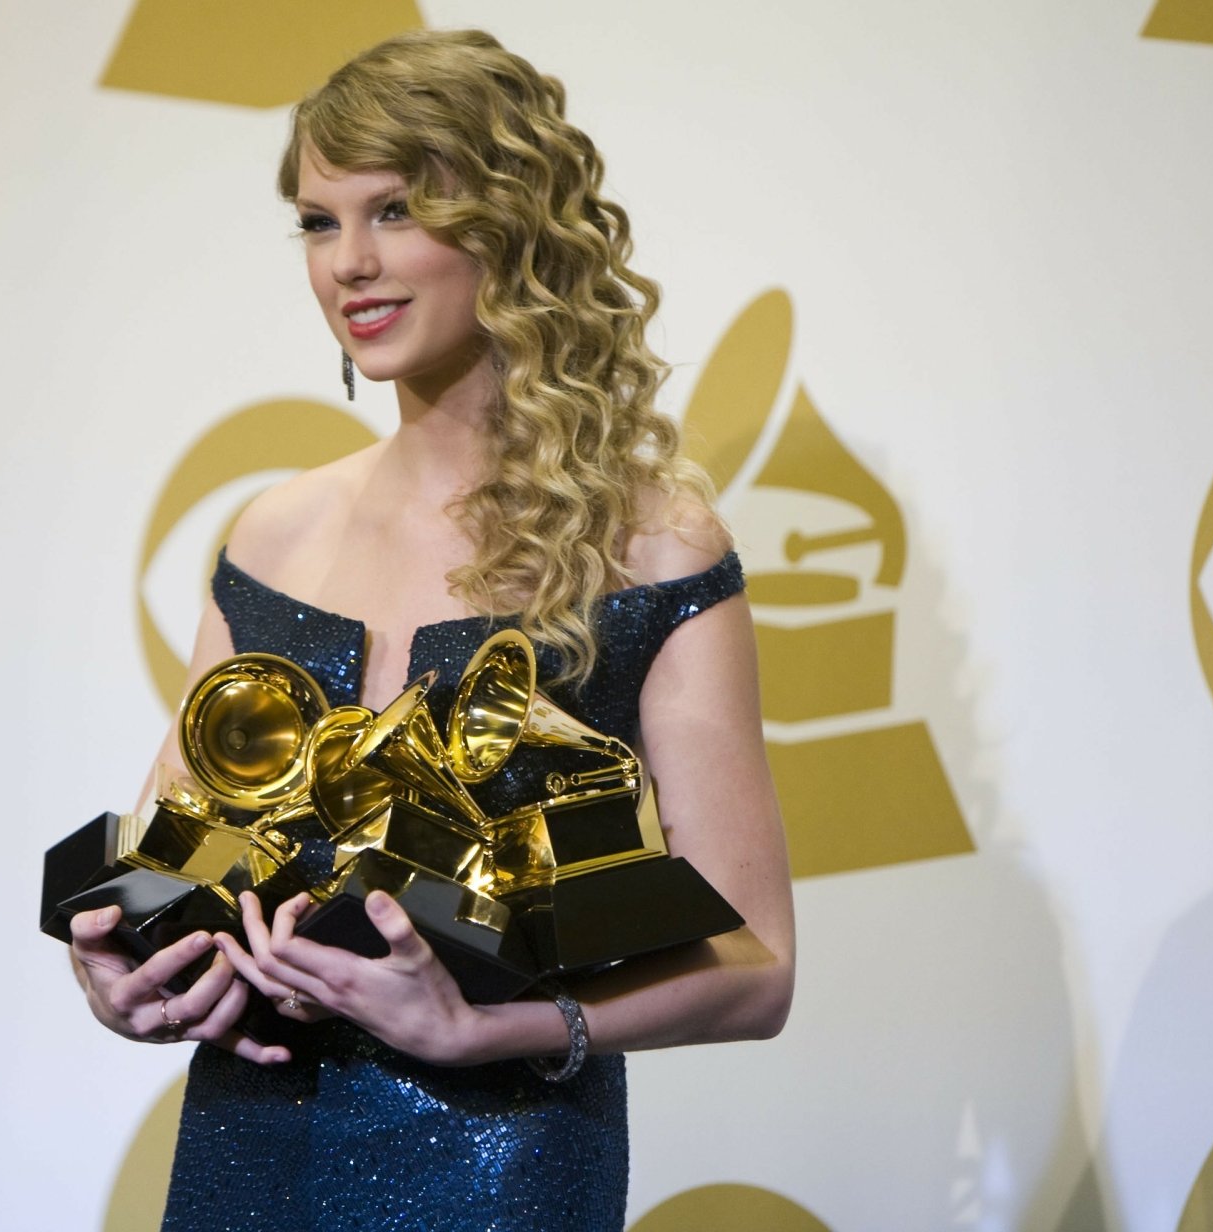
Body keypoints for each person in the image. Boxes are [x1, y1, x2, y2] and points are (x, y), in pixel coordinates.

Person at [65, 28, 794, 1231]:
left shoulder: (655, 544)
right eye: (316, 220)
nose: (350, 262)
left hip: (505, 1171)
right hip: (246, 1154)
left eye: (396, 209)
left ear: (509, 224)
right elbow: (171, 859)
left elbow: (759, 962)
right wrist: (117, 969)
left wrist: (485, 1026)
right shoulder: (271, 536)